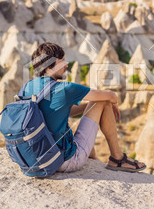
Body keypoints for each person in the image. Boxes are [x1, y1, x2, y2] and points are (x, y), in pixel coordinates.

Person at [23, 42, 147, 173]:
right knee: (102, 101)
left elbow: (60, 112)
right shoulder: (65, 88)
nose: (66, 65)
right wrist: (112, 102)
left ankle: (94, 158)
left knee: (84, 119)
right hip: (63, 162)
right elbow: (110, 95)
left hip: (35, 158)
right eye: (62, 61)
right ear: (48, 68)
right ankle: (118, 158)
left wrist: (88, 107)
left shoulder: (28, 87)